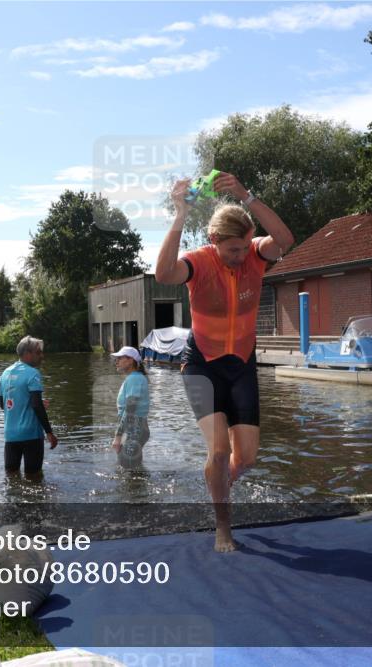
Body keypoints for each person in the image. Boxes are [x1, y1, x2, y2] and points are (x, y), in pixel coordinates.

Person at [155, 172, 295, 552]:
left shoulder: (255, 255)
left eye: (245, 246)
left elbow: (285, 240)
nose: (241, 255)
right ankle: (223, 527)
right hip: (203, 365)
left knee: (245, 458)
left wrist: (247, 196)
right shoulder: (198, 264)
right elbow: (163, 273)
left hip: (242, 364)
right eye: (233, 249)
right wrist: (180, 213)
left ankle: (218, 486)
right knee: (218, 451)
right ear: (214, 241)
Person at [0, 335, 58, 476]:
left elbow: (3, 404)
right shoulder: (33, 373)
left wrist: (28, 403)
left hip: (10, 435)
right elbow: (37, 405)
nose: (41, 356)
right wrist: (49, 433)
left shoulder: (5, 373)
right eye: (38, 352)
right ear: (27, 353)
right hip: (31, 435)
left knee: (11, 476)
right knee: (34, 478)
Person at [110, 346, 151, 468]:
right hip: (136, 429)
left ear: (130, 360)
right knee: (133, 468)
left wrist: (118, 437)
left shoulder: (134, 379)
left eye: (120, 358)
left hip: (134, 430)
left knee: (127, 469)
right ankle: (141, 487)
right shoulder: (136, 378)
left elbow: (130, 409)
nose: (116, 361)